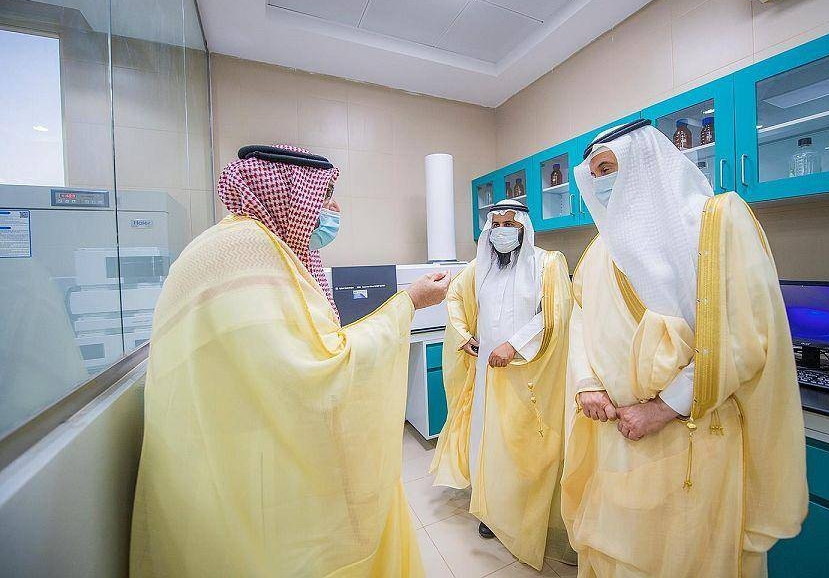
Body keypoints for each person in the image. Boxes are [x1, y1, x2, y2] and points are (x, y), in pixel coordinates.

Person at [130, 144, 449, 577]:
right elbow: (320, 367)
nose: (334, 206)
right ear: (287, 191)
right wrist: (408, 302)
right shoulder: (247, 250)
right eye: (326, 193)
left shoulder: (248, 243)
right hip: (242, 469)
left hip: (223, 455)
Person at [561, 120, 808, 577]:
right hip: (616, 438)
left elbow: (744, 335)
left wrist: (663, 408)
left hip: (694, 441)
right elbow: (580, 318)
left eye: (609, 168)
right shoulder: (599, 251)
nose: (602, 182)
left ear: (645, 161)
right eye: (594, 175)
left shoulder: (716, 225)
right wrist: (587, 383)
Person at [430, 199, 576, 570]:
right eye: (494, 223)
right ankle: (492, 512)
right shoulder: (480, 269)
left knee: (525, 445)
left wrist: (514, 345)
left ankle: (528, 517)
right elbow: (455, 299)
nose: (501, 230)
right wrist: (463, 334)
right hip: (487, 375)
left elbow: (555, 315)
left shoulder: (548, 263)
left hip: (530, 377)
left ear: (524, 226)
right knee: (487, 440)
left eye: (509, 222)